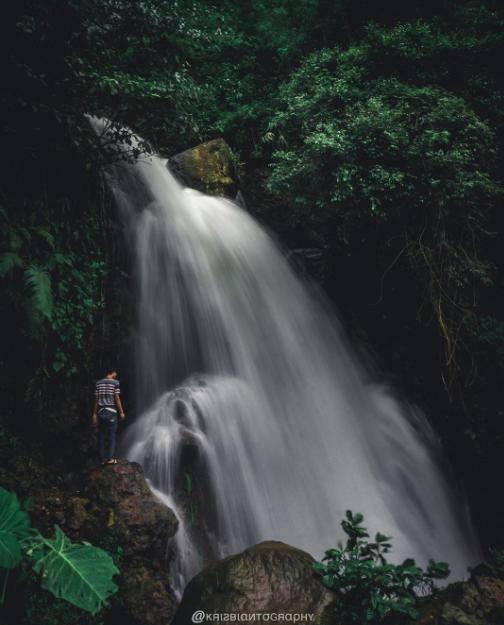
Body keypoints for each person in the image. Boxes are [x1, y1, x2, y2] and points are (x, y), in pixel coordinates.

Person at [92, 367, 126, 465]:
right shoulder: (115, 383)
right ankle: (110, 459)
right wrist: (121, 412)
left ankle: (102, 459)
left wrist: (94, 414)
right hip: (111, 412)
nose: (116, 374)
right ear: (113, 372)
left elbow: (97, 400)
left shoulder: (98, 383)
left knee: (101, 436)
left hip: (101, 412)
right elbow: (117, 398)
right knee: (112, 436)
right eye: (116, 372)